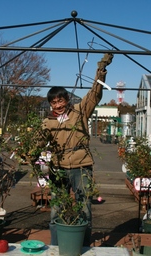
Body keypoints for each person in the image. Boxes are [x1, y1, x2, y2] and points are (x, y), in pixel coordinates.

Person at [42, 53, 113, 246]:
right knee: (57, 208)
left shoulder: (80, 111)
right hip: (58, 167)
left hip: (82, 166)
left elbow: (94, 94)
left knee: (84, 207)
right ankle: (57, 246)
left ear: (67, 99)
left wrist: (101, 69)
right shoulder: (47, 122)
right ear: (51, 104)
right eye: (54, 102)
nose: (58, 105)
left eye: (60, 101)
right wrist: (30, 152)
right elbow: (39, 143)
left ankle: (83, 245)